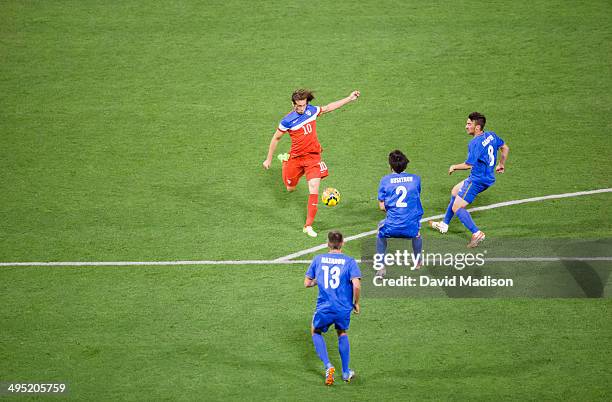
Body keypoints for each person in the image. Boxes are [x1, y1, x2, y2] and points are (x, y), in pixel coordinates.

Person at [263, 89, 361, 238]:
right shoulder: (287, 120)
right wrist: (269, 159)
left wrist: (349, 98)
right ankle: (285, 161)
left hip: (313, 157)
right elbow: (276, 138)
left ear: (306, 103)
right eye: (298, 106)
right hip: (295, 158)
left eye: (303, 105)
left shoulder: (312, 111)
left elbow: (328, 107)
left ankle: (308, 225)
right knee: (290, 188)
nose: (301, 109)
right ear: (293, 104)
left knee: (313, 187)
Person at [429, 112, 510, 247]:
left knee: (457, 207)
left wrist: (454, 167)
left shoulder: (475, 143)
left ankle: (476, 233)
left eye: (469, 124)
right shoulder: (491, 135)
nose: (466, 127)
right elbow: (505, 148)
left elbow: (469, 165)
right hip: (486, 176)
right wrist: (501, 164)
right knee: (455, 191)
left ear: (477, 127)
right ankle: (444, 224)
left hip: (478, 180)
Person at [304, 231, 361, 385]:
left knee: (315, 331)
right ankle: (345, 372)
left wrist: (318, 281)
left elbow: (307, 283)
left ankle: (328, 365)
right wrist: (356, 303)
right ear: (342, 243)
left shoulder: (318, 259)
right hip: (343, 308)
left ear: (328, 244)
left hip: (325, 307)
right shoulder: (349, 261)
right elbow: (356, 284)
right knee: (342, 332)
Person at [376, 150, 424, 276]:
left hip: (391, 227)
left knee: (380, 230)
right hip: (411, 229)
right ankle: (418, 261)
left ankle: (381, 266)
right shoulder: (415, 179)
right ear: (405, 164)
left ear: (390, 166)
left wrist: (393, 209)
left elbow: (381, 206)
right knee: (417, 232)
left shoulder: (385, 180)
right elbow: (415, 197)